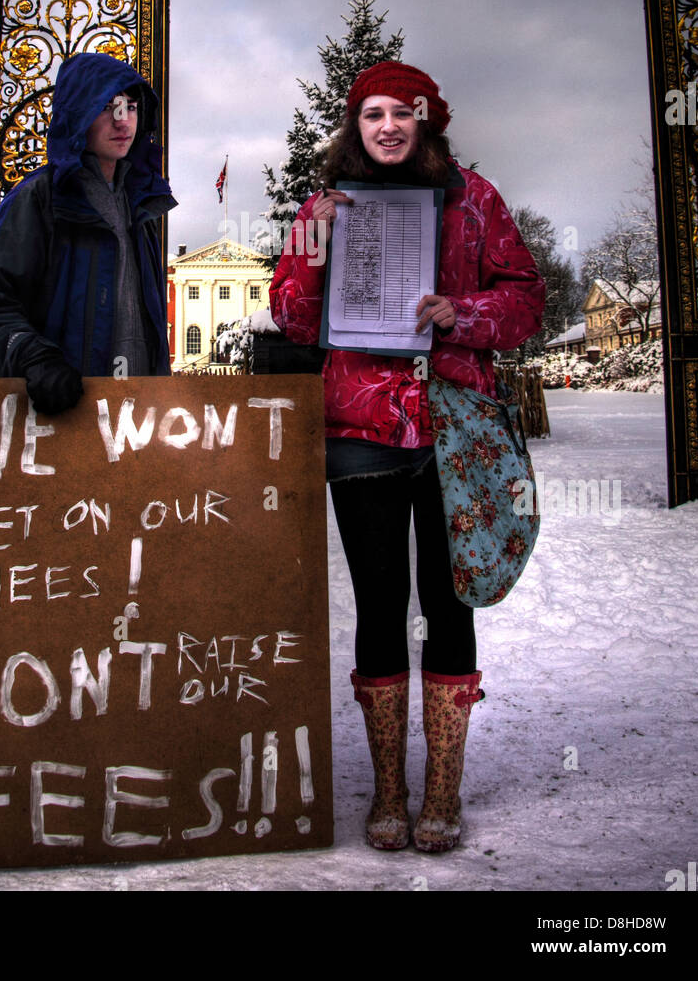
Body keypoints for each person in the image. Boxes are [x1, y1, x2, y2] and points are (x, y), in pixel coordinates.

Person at [269, 61, 545, 852]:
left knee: (449, 602)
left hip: (456, 428)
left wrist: (463, 312)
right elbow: (290, 318)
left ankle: (442, 794)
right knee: (382, 604)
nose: (386, 126)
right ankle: (389, 790)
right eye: (371, 114)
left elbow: (525, 298)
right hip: (361, 430)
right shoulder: (323, 207)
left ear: (427, 122)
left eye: (402, 113)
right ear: (353, 126)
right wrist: (313, 241)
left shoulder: (474, 199)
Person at [0, 51, 176, 411]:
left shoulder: (142, 206)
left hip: (139, 419)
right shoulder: (38, 199)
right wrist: (34, 359)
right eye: (108, 107)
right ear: (78, 113)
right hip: (62, 419)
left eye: (131, 107)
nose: (124, 122)